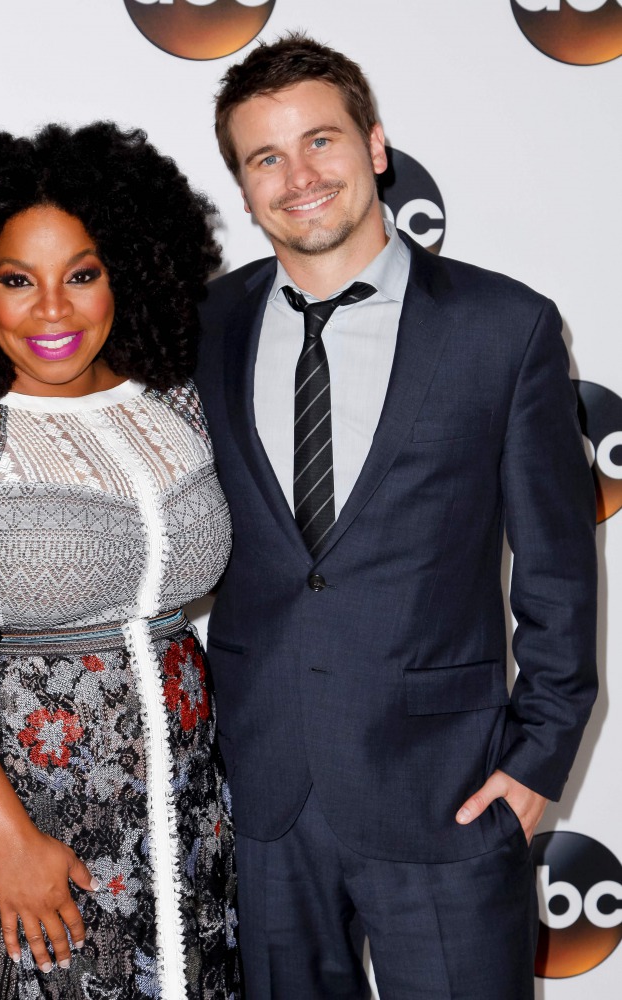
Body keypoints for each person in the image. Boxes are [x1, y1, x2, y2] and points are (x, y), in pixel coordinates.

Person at [195, 33, 597, 1000]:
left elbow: (556, 568)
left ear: (376, 146)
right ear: (243, 188)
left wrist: (540, 758)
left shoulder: (505, 327)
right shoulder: (201, 328)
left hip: (447, 795)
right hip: (263, 800)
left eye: (321, 141)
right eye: (266, 158)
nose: (299, 177)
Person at [0, 123, 239, 1000]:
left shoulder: (172, 398)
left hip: (191, 801)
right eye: (17, 279)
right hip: (16, 809)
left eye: (83, 275)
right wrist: (13, 843)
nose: (53, 311)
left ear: (125, 273)